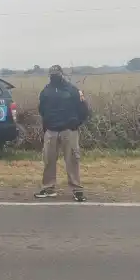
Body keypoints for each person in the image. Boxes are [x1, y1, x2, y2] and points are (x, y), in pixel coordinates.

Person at [35, 65, 90, 202]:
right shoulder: (45, 92)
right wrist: (47, 126)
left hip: (69, 130)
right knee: (48, 160)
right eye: (52, 74)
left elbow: (83, 109)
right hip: (51, 131)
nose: (54, 76)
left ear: (61, 74)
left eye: (56, 74)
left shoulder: (72, 90)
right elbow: (41, 110)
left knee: (72, 161)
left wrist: (76, 123)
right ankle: (48, 188)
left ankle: (76, 189)